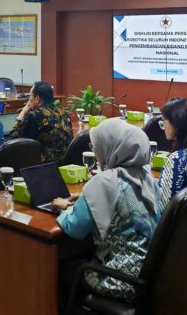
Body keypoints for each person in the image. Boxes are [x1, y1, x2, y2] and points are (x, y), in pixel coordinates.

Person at [51, 118, 158, 301]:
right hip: (154, 276)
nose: (96, 153)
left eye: (96, 147)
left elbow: (74, 227)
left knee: (60, 268)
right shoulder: (146, 176)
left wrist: (65, 207)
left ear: (111, 147)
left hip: (121, 280)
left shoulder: (105, 182)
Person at [9, 81, 72, 164]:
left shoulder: (35, 116)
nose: (29, 99)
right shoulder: (64, 112)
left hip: (46, 167)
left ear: (37, 98)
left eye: (30, 96)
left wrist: (22, 113)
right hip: (66, 163)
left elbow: (14, 140)